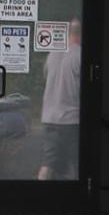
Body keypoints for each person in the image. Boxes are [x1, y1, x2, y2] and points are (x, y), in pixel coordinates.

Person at [38, 18, 81, 181]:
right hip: (72, 120)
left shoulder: (52, 54)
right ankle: (76, 200)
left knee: (48, 164)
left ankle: (39, 195)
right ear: (80, 34)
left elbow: (46, 78)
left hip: (49, 119)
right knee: (76, 165)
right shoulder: (80, 55)